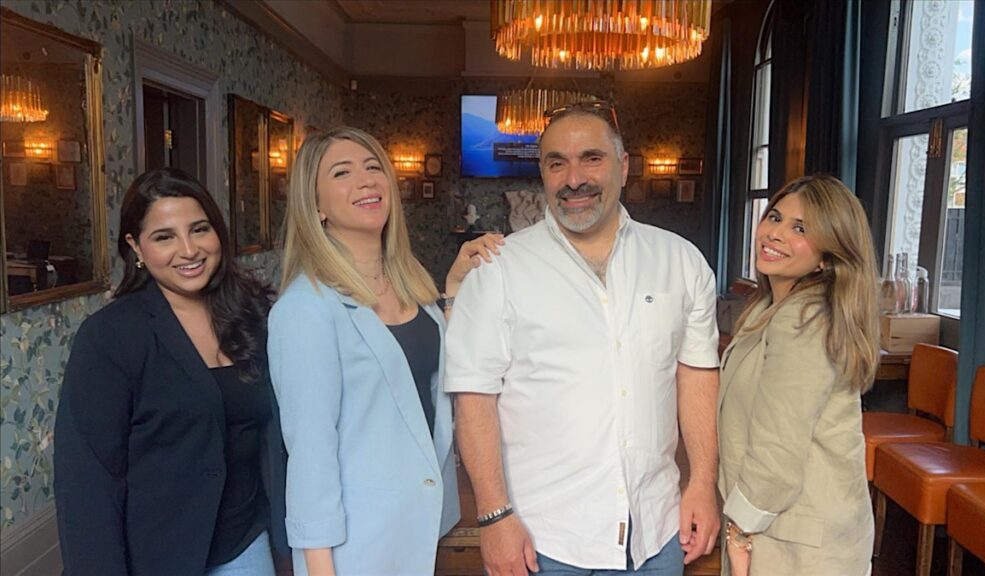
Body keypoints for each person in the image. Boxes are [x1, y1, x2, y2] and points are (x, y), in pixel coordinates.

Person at [445, 102, 722, 575]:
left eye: (591, 158)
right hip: (544, 540)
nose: (574, 179)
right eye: (557, 163)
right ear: (542, 172)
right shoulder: (499, 270)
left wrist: (702, 483)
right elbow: (474, 398)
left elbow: (696, 377)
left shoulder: (680, 261)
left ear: (624, 166)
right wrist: (493, 516)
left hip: (657, 532)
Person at [268, 126, 502, 575]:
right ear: (315, 206)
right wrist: (319, 569)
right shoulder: (305, 309)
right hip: (356, 545)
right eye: (342, 172)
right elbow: (311, 454)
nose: (366, 180)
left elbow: (428, 383)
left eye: (374, 167)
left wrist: (453, 289)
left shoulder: (411, 284)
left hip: (424, 527)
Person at [54, 168, 287, 575]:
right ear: (136, 247)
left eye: (199, 229)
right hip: (155, 555)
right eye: (165, 237)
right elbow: (87, 481)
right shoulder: (111, 336)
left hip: (244, 544)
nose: (189, 250)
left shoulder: (256, 315)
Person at [717, 175, 878, 576]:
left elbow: (778, 448)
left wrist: (740, 530)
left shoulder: (804, 317)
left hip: (799, 541)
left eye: (801, 229)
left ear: (827, 256)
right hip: (792, 529)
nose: (775, 233)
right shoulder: (769, 308)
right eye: (775, 217)